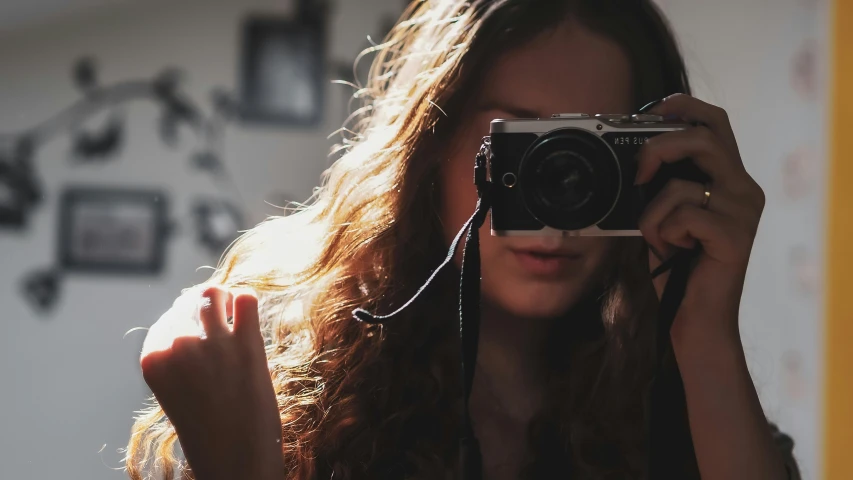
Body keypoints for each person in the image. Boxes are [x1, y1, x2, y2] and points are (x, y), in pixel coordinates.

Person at [125, 1, 801, 479]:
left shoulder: (684, 419)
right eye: (522, 145)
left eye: (591, 154)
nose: (554, 203)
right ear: (431, 147)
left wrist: (705, 332)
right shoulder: (286, 403)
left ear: (654, 162)